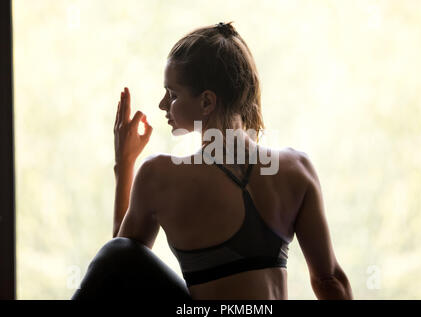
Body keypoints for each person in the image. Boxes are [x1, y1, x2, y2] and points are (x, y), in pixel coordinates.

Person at [72, 22, 353, 300]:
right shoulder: (297, 168)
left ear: (207, 102)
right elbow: (331, 283)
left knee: (115, 254)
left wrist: (125, 164)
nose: (162, 105)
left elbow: (122, 268)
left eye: (172, 94)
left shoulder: (158, 176)